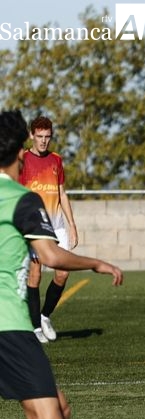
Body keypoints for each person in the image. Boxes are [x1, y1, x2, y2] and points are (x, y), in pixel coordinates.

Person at [0, 109, 123, 419]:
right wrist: (97, 263)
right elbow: (51, 256)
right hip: (8, 325)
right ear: (20, 151)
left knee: (59, 408)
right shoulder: (19, 198)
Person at [17, 116, 79, 344]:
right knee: (35, 275)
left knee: (63, 272)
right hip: (33, 227)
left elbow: (62, 193)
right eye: (40, 137)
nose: (43, 141)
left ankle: (44, 317)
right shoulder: (21, 159)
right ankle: (34, 328)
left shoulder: (56, 160)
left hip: (57, 226)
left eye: (47, 137)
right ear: (32, 135)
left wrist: (72, 225)